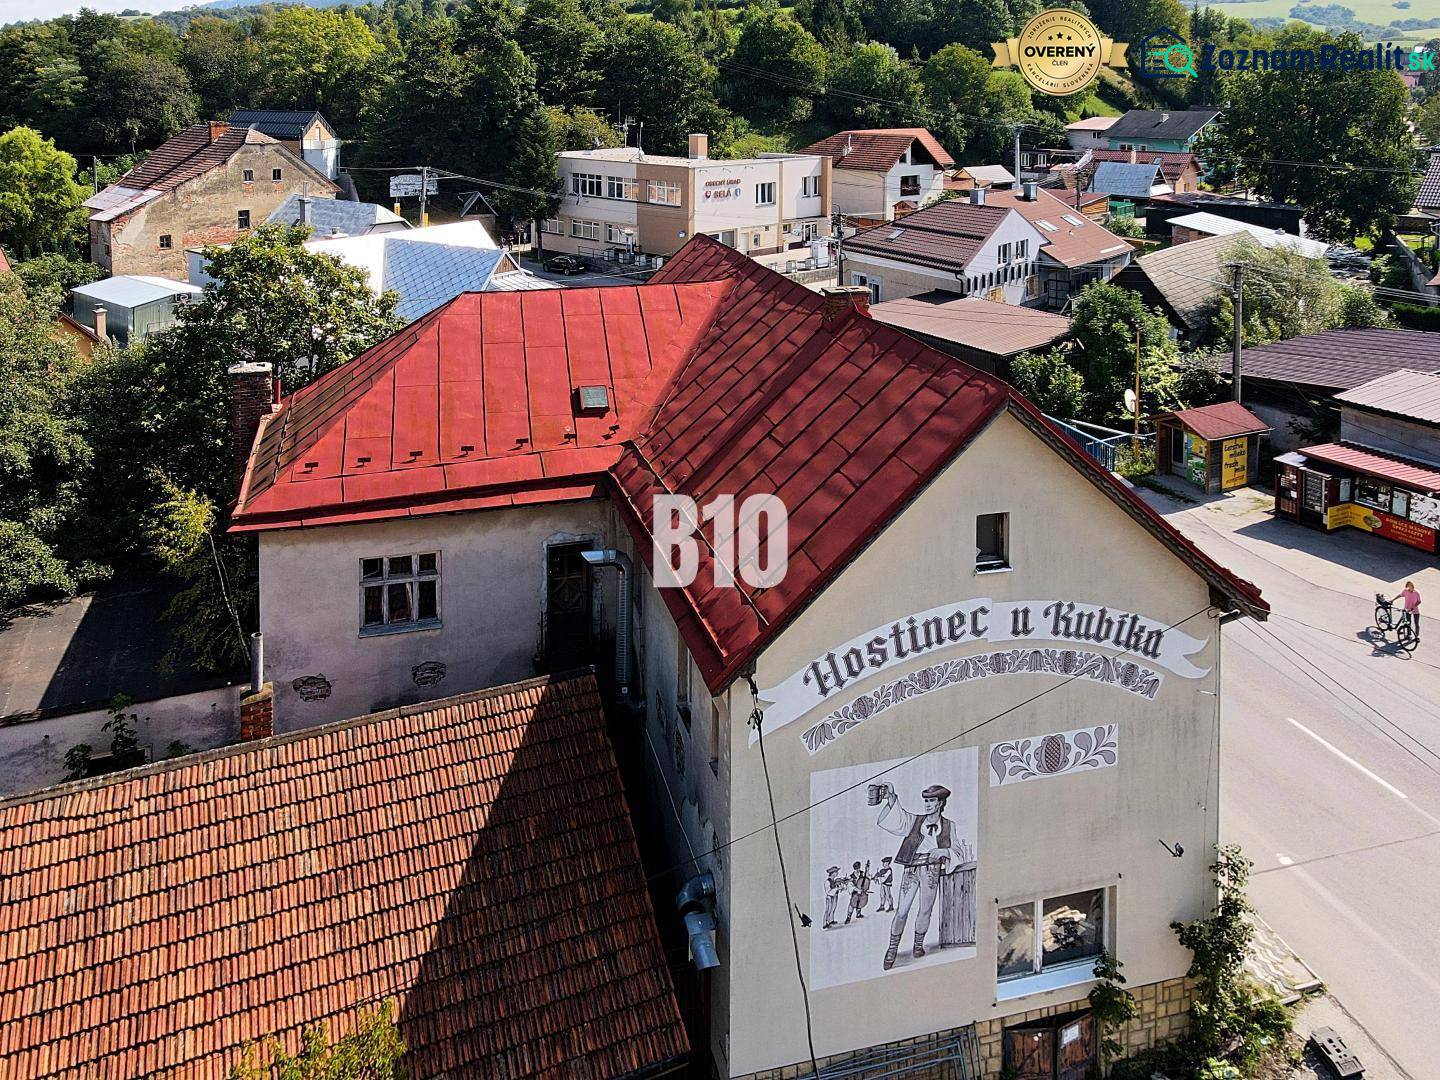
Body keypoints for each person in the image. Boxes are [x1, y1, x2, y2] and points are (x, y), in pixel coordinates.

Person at [876, 782, 961, 970]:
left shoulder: (949, 825)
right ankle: (892, 949)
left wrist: (944, 851)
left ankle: (917, 945)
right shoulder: (915, 821)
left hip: (931, 869)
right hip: (912, 868)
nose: (927, 804)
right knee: (902, 910)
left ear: (940, 803)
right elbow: (898, 819)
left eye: (931, 801)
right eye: (926, 801)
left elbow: (957, 851)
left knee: (925, 910)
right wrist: (891, 797)